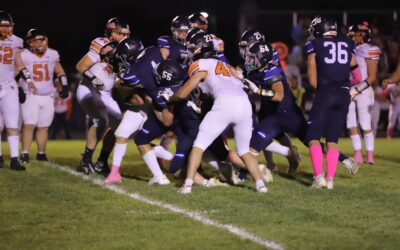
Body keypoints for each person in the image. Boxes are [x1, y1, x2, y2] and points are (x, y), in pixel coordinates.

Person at [164, 32, 268, 194]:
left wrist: (172, 98)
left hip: (225, 102)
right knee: (244, 150)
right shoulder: (227, 66)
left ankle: (187, 185)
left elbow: (185, 92)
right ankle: (261, 185)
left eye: (193, 49)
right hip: (244, 103)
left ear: (198, 50)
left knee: (198, 146)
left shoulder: (200, 65)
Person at [305, 16, 362, 189]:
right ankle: (330, 180)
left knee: (313, 137)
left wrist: (322, 87)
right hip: (344, 94)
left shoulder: (314, 44)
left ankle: (318, 177)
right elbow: (358, 76)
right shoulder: (346, 42)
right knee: (332, 139)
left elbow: (313, 80)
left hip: (326, 92)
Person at [75, 17, 130, 174]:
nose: (124, 37)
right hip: (89, 88)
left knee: (118, 124)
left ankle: (102, 161)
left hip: (106, 93)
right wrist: (93, 78)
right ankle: (86, 160)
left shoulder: (126, 50)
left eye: (127, 34)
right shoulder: (102, 44)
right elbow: (80, 66)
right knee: (101, 120)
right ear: (111, 32)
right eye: (121, 33)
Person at [19, 29, 69, 163]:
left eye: (42, 39)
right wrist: (18, 88)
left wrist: (64, 86)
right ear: (30, 42)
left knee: (44, 127)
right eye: (36, 40)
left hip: (48, 96)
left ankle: (41, 153)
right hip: (30, 95)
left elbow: (60, 71)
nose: (40, 43)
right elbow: (17, 72)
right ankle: (25, 153)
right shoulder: (23, 55)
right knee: (29, 124)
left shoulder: (52, 54)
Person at [0, 10, 35, 170]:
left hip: (9, 86)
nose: (6, 29)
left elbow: (19, 63)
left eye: (9, 25)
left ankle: (14, 159)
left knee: (12, 124)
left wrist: (27, 79)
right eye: (3, 25)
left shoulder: (17, 41)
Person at [346, 22, 380, 165]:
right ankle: (358, 153)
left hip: (363, 90)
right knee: (350, 123)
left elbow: (371, 77)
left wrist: (355, 90)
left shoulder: (369, 49)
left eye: (354, 34)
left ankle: (370, 154)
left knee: (365, 123)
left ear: (362, 34)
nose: (352, 36)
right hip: (349, 89)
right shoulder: (349, 48)